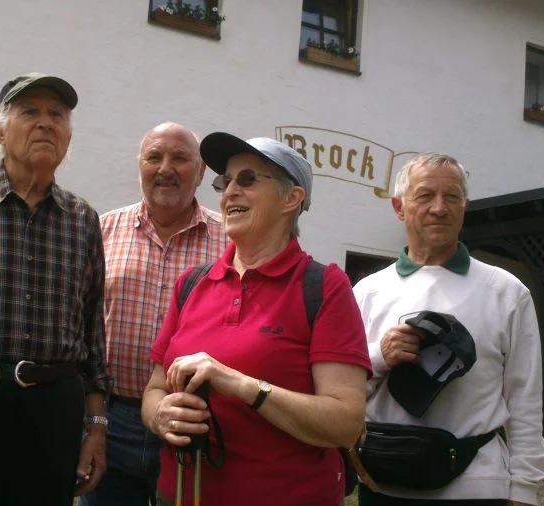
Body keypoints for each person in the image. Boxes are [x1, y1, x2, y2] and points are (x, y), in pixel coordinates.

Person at [141, 132, 371, 506]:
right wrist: (160, 416)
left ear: (291, 199)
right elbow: (153, 389)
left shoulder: (323, 285)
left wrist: (240, 384)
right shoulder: (192, 283)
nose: (230, 191)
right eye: (224, 181)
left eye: (247, 179)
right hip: (180, 495)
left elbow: (346, 424)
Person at [0, 72, 111, 506]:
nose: (46, 122)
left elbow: (92, 332)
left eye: (58, 115)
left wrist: (97, 428)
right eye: (30, 111)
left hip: (55, 410)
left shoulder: (83, 219)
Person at [353, 152, 544, 505]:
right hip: (384, 485)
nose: (439, 208)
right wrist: (380, 357)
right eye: (425, 196)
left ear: (464, 206)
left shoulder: (507, 292)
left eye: (452, 197)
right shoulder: (365, 293)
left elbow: (525, 399)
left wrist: (524, 489)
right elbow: (342, 391)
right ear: (399, 207)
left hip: (476, 486)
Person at [81, 122, 227, 506]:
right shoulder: (102, 231)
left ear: (200, 173)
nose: (165, 168)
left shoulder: (231, 239)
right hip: (111, 422)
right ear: (139, 166)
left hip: (196, 423)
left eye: (180, 158)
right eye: (154, 157)